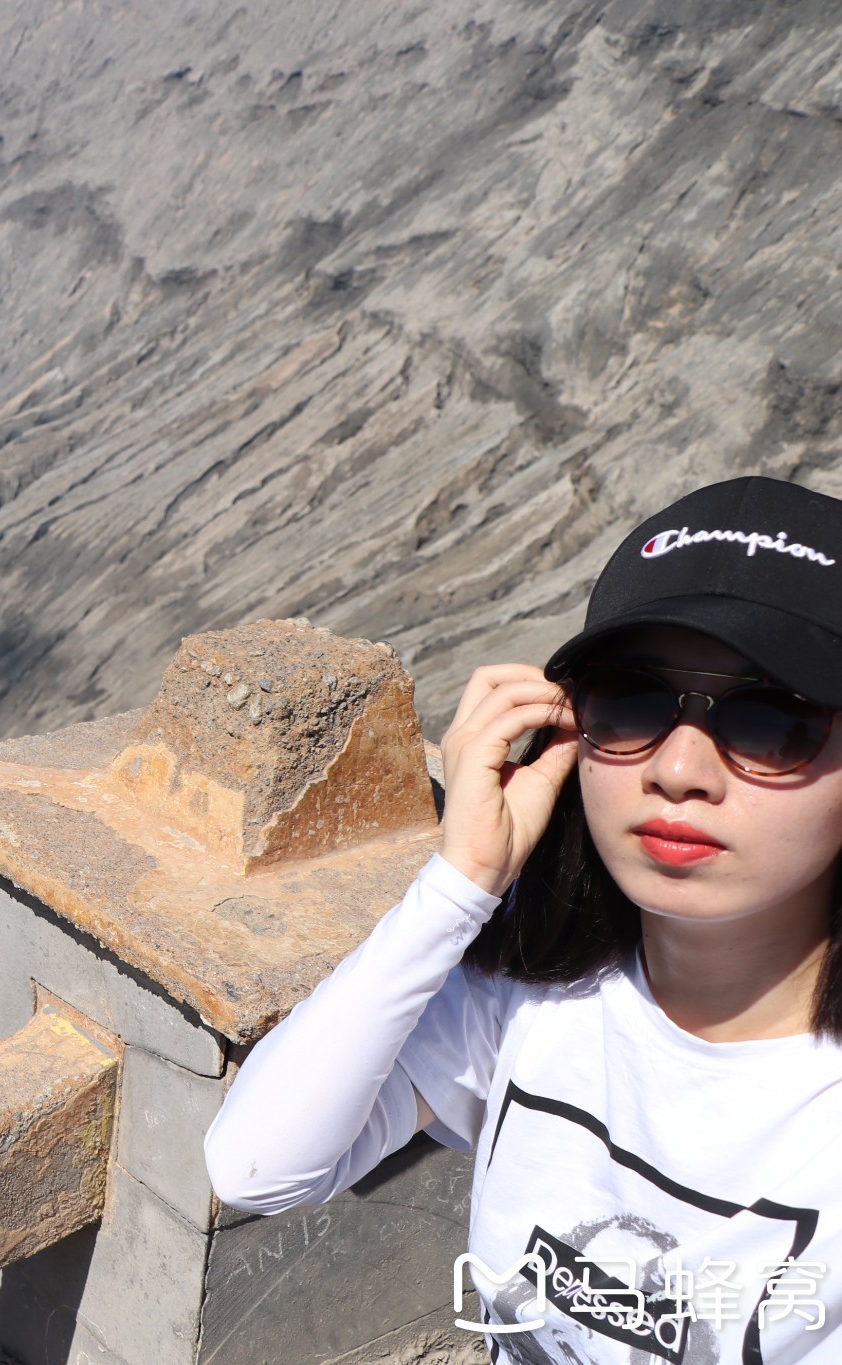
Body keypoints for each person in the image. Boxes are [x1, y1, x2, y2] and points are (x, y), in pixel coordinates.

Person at [202, 475, 842, 1365]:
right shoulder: (532, 999)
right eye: (632, 701)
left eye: (775, 723)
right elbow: (258, 1166)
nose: (680, 768)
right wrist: (462, 881)